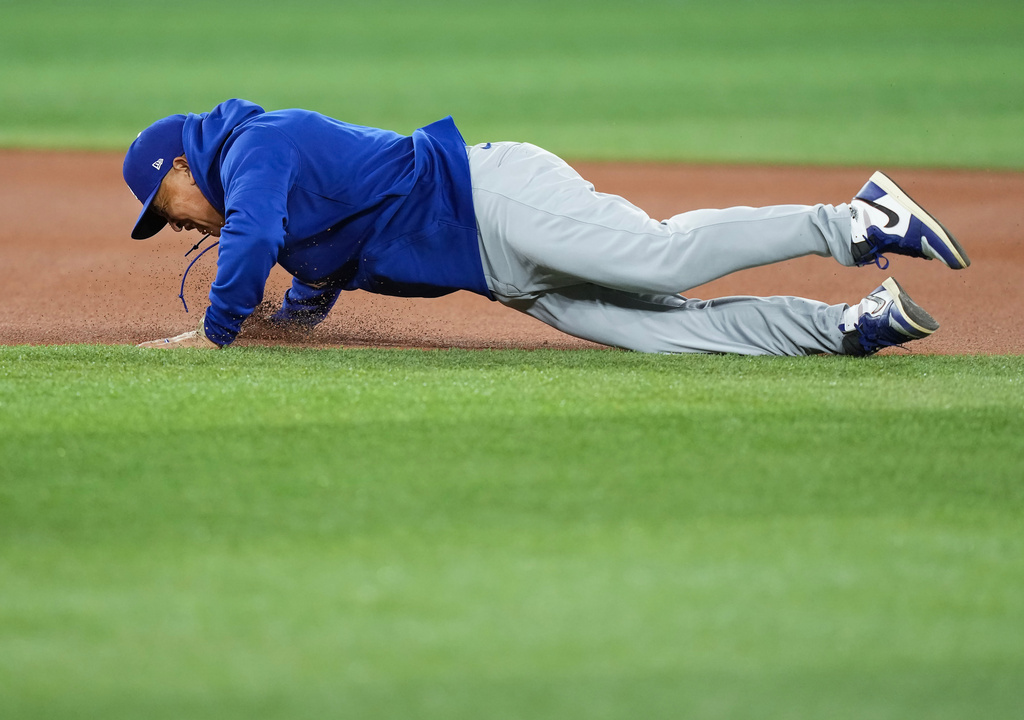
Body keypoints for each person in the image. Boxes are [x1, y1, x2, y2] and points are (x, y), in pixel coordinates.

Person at [123, 99, 969, 356]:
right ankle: (849, 326)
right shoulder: (262, 184)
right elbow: (318, 261)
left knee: (657, 258)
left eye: (165, 214)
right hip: (503, 274)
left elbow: (256, 240)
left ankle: (856, 219)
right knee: (664, 335)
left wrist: (219, 334)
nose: (174, 229)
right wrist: (295, 320)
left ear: (182, 171)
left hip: (496, 198)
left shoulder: (255, 148)